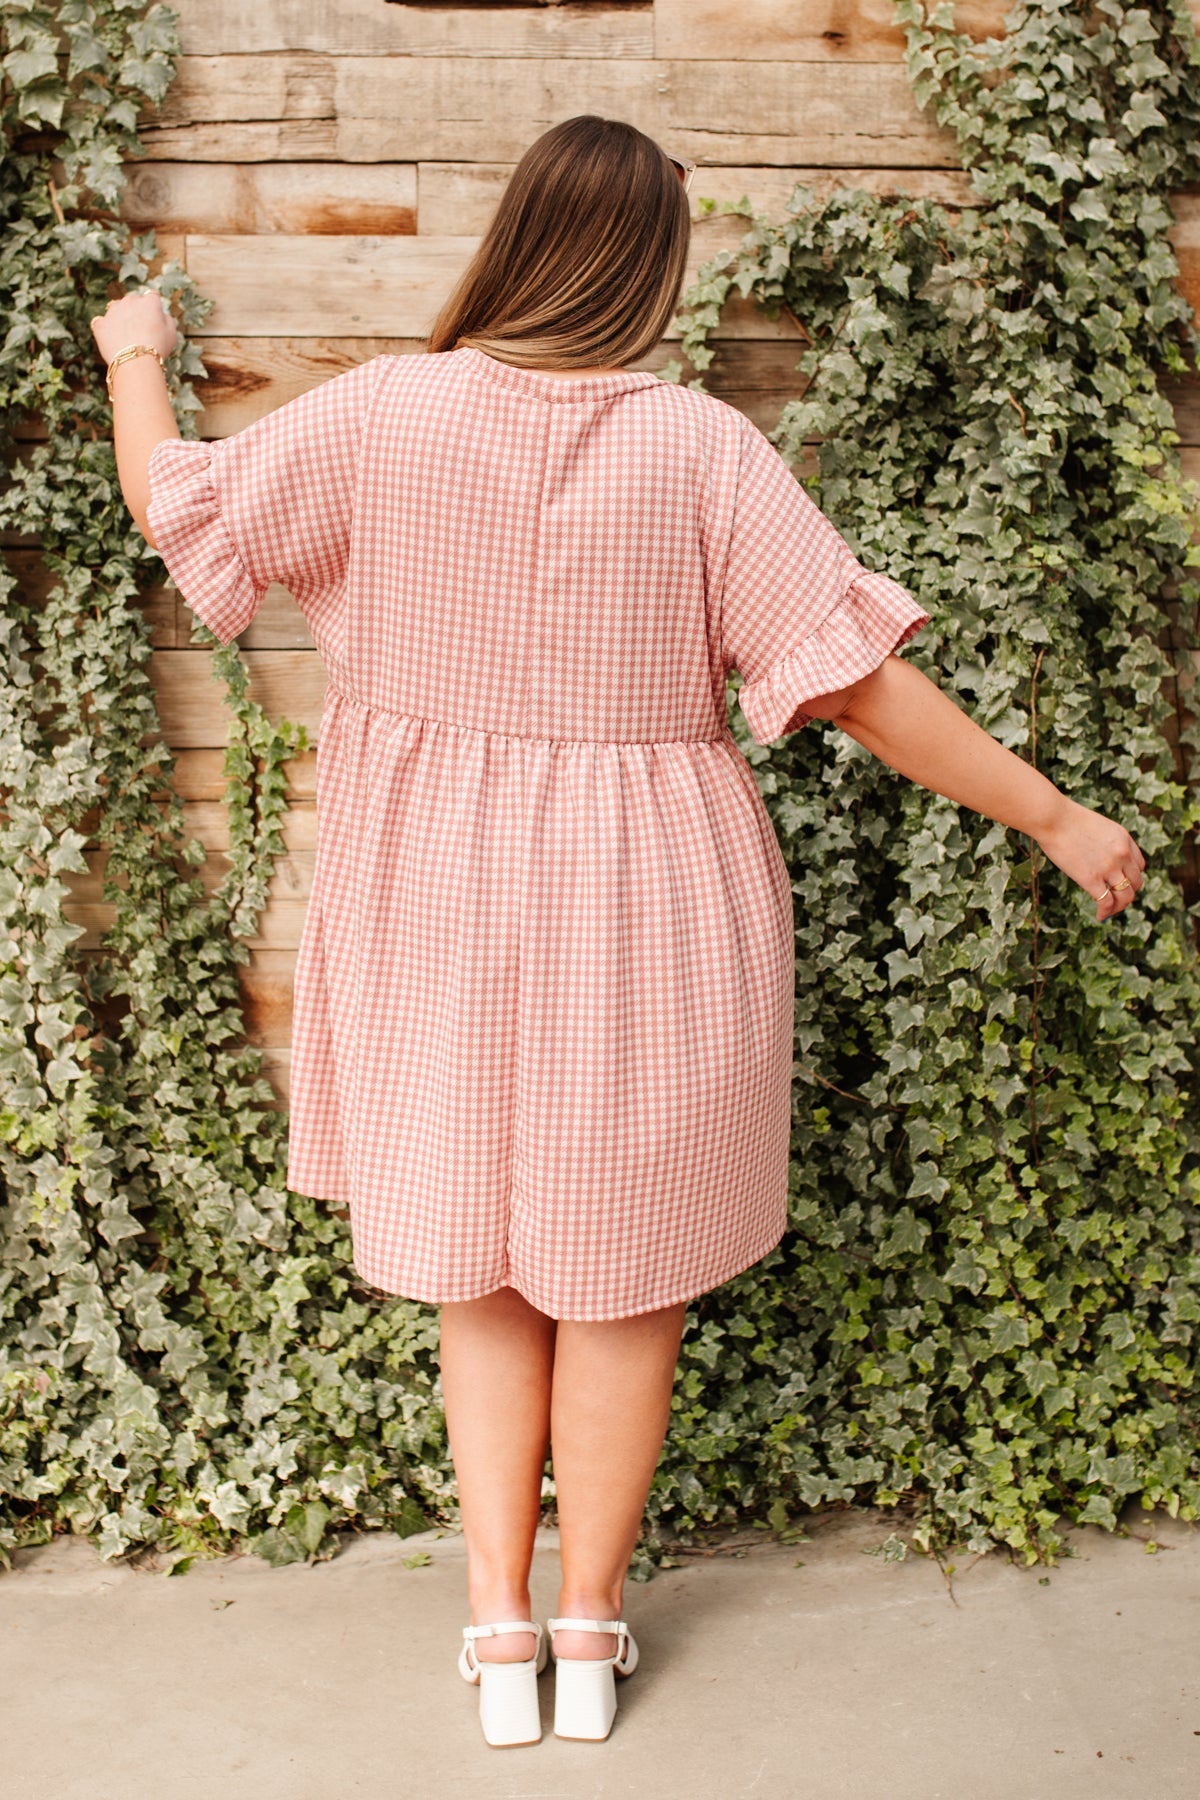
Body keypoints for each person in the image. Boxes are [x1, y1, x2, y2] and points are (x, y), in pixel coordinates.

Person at [91, 113, 1144, 1750]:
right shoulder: (702, 449)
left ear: (516, 239)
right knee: (619, 1278)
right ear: (650, 265)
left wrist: (136, 348)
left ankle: (498, 1637)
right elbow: (861, 685)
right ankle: (590, 1635)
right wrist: (1061, 816)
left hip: (436, 894)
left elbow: (177, 510)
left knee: (489, 1285)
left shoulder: (382, 414)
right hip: (649, 904)